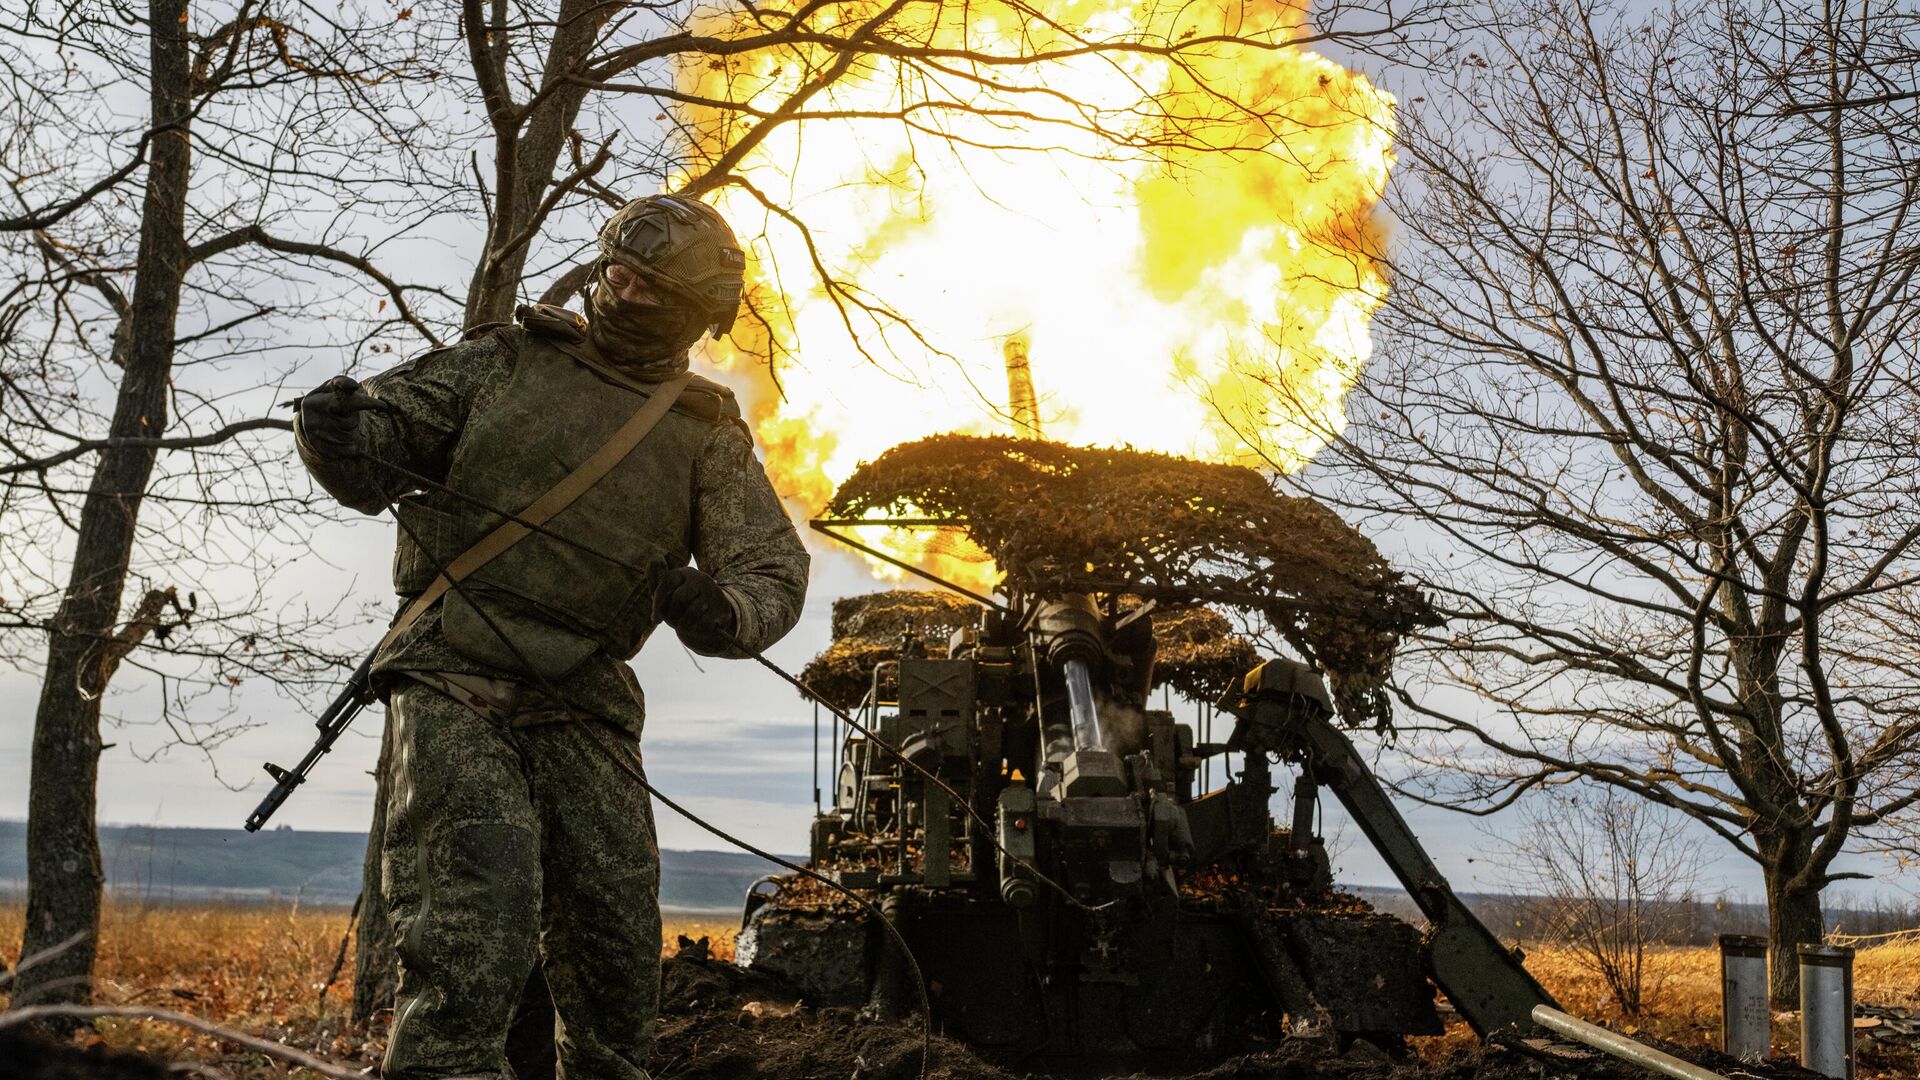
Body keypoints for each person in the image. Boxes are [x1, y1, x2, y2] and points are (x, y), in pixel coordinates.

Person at [292, 195, 810, 1079]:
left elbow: (771, 576)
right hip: (453, 668)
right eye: (616, 271)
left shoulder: (701, 432)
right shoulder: (506, 360)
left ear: (693, 314)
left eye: (648, 287)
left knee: (614, 940)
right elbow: (379, 446)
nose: (623, 291)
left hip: (583, 698)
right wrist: (334, 430)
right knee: (474, 917)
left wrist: (716, 609)